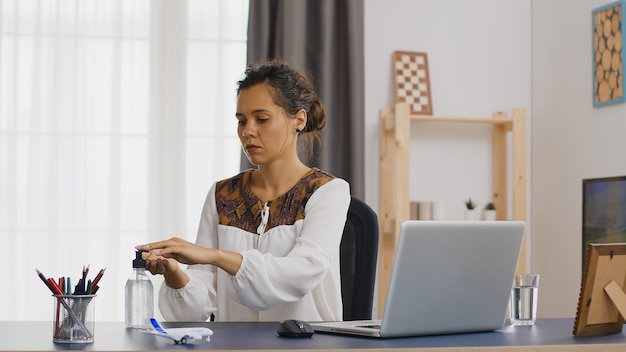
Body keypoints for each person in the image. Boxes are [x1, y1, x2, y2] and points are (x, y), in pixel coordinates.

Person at [135, 60, 350, 322]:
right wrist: (175, 274)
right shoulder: (221, 195)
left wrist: (214, 256)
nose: (247, 131)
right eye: (241, 121)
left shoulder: (327, 192)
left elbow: (301, 272)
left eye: (262, 119)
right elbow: (195, 311)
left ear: (299, 120)